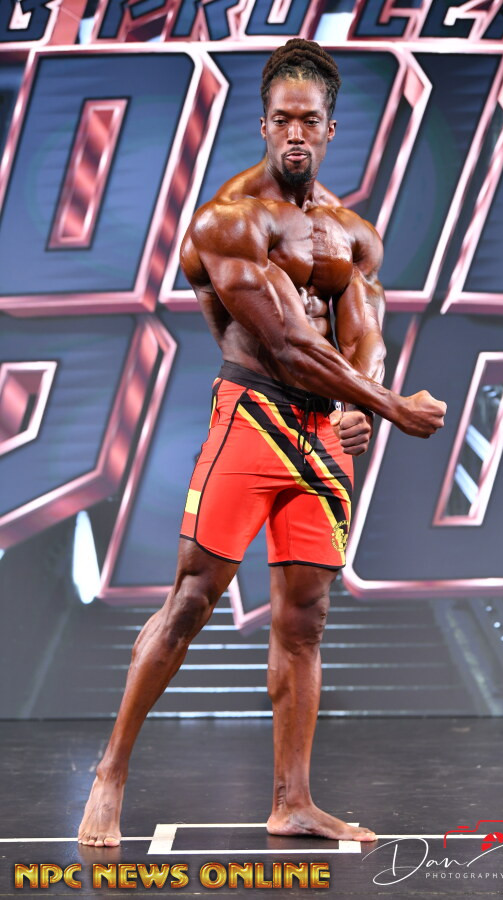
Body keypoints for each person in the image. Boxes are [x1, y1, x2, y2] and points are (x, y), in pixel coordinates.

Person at [78, 38, 446, 848]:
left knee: (305, 620)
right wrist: (388, 406)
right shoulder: (229, 219)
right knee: (191, 601)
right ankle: (110, 773)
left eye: (309, 121)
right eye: (282, 119)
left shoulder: (352, 234)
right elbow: (284, 343)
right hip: (251, 418)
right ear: (263, 123)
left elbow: (363, 329)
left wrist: (360, 399)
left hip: (322, 436)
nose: (295, 134)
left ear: (330, 129)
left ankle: (292, 801)